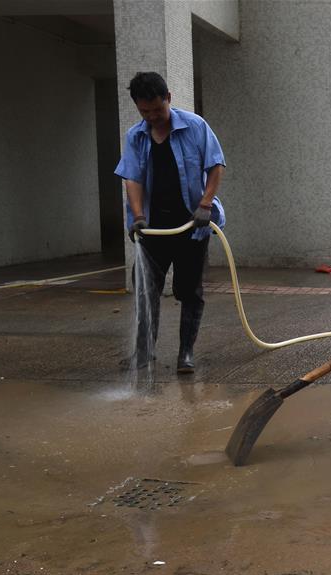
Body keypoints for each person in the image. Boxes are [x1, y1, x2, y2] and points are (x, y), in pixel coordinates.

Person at [115, 72, 227, 373]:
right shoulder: (136, 136)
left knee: (189, 291)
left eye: (157, 109)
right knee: (145, 290)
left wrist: (205, 205)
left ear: (168, 98)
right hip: (152, 229)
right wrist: (138, 217)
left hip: (192, 227)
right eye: (145, 112)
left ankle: (185, 354)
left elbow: (216, 165)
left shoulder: (195, 126)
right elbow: (132, 178)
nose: (152, 117)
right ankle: (143, 352)